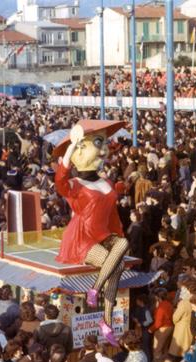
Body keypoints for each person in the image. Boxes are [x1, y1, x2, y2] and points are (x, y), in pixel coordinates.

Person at [53, 121, 129, 346]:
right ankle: (105, 320)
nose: (104, 150)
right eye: (98, 143)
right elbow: (59, 180)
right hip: (81, 238)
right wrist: (71, 146)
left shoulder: (106, 181)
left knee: (122, 246)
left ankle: (95, 289)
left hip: (104, 235)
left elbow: (113, 215)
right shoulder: (74, 185)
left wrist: (117, 234)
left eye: (104, 143)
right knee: (116, 264)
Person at [149, 289, 174, 359]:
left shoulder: (161, 307)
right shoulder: (169, 304)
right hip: (170, 327)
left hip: (163, 328)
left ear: (157, 297)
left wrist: (151, 329)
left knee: (157, 350)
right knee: (165, 349)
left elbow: (158, 323)